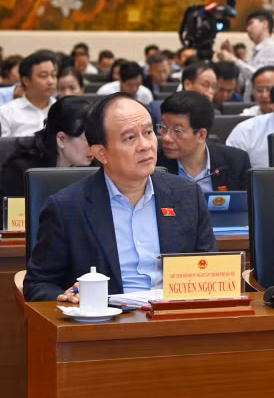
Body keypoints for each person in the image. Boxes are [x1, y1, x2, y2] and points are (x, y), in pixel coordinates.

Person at [23, 93, 217, 301]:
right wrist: (65, 296)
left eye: (149, 132)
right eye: (130, 138)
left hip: (174, 319)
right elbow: (38, 283)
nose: (145, 145)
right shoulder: (67, 208)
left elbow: (211, 269)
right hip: (107, 325)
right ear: (101, 153)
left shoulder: (186, 195)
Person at [156, 91, 251, 192]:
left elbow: (248, 205)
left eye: (177, 130)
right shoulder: (156, 165)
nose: (166, 138)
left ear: (201, 135)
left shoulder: (236, 162)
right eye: (163, 127)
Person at [0, 97, 93, 198]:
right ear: (61, 139)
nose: (95, 146)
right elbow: (10, 212)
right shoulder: (21, 171)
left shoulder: (93, 167)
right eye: (88, 139)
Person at [218, 10, 274, 101]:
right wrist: (232, 56)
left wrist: (233, 59)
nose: (248, 29)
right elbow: (243, 80)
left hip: (266, 101)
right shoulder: (256, 50)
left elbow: (260, 76)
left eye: (250, 23)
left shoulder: (272, 47)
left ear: (264, 24)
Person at [0, 50, 57, 137]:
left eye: (53, 75)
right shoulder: (7, 112)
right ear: (26, 80)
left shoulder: (61, 110)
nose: (51, 81)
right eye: (43, 76)